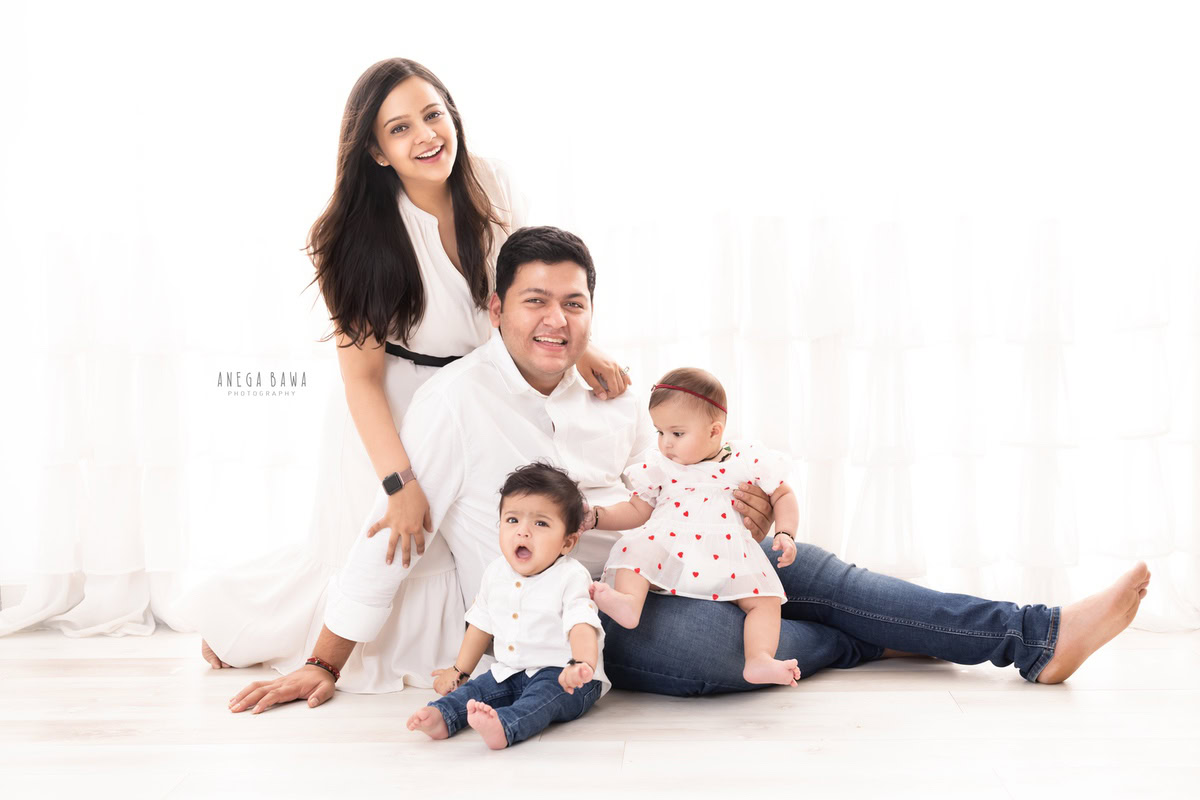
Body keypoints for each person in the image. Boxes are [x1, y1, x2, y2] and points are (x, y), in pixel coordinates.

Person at [228, 225, 1151, 714]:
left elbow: (660, 489)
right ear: (495, 305)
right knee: (716, 661)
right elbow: (392, 538)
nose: (557, 320)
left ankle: (1036, 635)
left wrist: (739, 512)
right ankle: (885, 637)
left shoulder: (611, 392)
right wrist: (322, 660)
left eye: (575, 304)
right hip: (583, 614)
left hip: (680, 561)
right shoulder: (456, 403)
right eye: (536, 302)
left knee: (812, 570)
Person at [182, 58, 630, 693]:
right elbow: (361, 379)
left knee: (493, 540)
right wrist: (400, 481)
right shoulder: (353, 236)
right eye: (400, 128)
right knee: (398, 542)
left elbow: (531, 283)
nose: (425, 136)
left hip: (485, 383)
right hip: (396, 399)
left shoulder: (488, 182)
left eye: (433, 115)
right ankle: (255, 631)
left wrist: (582, 352)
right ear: (376, 149)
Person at [583, 367, 802, 687]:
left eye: (676, 433)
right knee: (636, 549)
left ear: (715, 431)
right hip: (670, 553)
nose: (665, 443)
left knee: (766, 600)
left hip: (726, 555)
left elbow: (782, 494)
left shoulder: (745, 459)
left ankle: (759, 659)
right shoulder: (659, 466)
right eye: (659, 432)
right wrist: (597, 516)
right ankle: (630, 604)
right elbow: (635, 510)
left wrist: (784, 533)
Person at [405, 463, 607, 749]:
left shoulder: (570, 576)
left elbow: (581, 625)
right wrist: (459, 671)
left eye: (540, 523)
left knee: (543, 698)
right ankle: (443, 715)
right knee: (479, 688)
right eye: (512, 520)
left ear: (567, 542)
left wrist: (581, 663)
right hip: (509, 670)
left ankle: (506, 725)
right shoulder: (495, 573)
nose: (522, 533)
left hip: (564, 675)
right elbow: (480, 625)